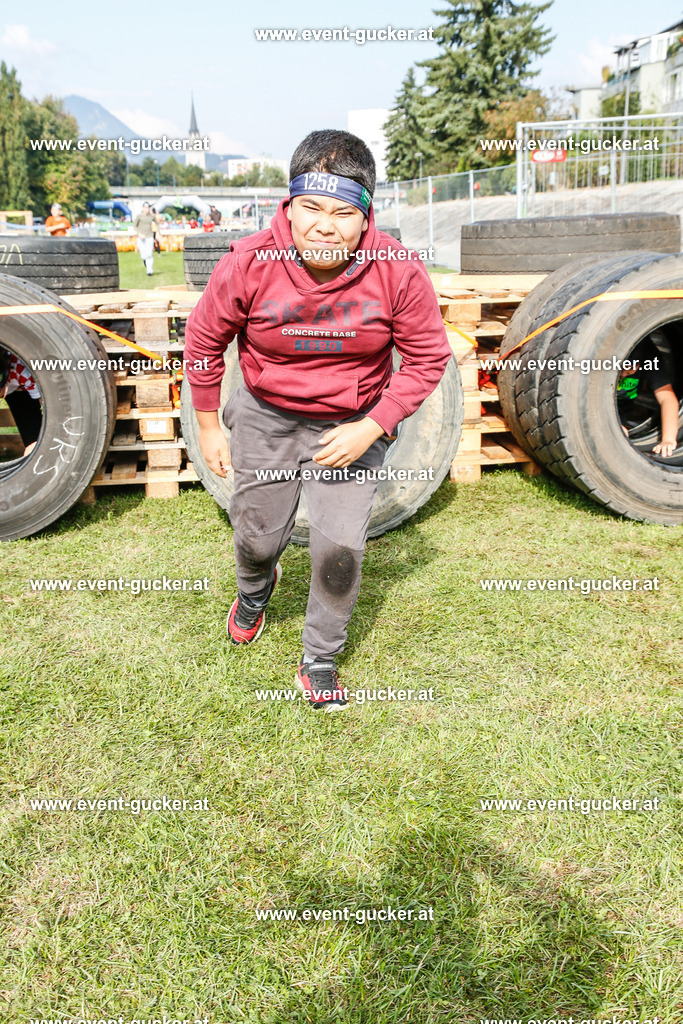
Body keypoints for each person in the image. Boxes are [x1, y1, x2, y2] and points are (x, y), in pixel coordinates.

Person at [184, 129, 451, 711]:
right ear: (289, 203)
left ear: (365, 217)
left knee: (339, 550)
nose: (324, 225)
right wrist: (208, 426)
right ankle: (255, 592)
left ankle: (320, 659)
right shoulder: (249, 262)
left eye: (342, 212)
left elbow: (429, 357)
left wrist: (373, 426)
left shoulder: (398, 271)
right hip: (265, 417)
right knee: (256, 536)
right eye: (311, 207)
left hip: (352, 426)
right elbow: (204, 342)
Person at [617, 333, 679, 457]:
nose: (623, 374)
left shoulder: (649, 356)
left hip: (624, 407)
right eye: (619, 370)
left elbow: (667, 398)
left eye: (628, 370)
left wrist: (668, 439)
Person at [0, 347, 42, 456]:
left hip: (24, 380)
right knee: (30, 439)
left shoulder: (22, 371)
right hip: (11, 389)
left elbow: (49, 407)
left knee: (35, 441)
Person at [133, 201, 157, 276]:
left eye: (148, 208)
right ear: (143, 208)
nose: (146, 209)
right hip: (141, 238)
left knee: (149, 254)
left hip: (149, 236)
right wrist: (139, 233)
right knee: (143, 254)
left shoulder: (152, 216)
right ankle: (145, 261)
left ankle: (149, 271)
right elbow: (134, 226)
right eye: (145, 208)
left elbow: (157, 223)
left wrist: (158, 233)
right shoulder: (139, 216)